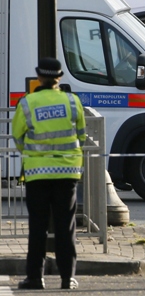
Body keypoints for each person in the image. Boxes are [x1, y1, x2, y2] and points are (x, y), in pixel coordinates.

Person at [11, 58, 86, 290]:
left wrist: (34, 155)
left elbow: (18, 136)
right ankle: (67, 278)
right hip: (67, 173)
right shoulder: (72, 102)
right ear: (59, 77)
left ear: (39, 77)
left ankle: (35, 277)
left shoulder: (27, 103)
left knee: (37, 227)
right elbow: (81, 135)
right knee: (66, 227)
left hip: (37, 174)